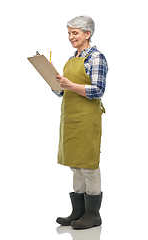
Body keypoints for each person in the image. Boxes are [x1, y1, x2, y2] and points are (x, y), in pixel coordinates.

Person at [54, 15, 108, 230]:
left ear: (88, 34)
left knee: (89, 165)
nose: (71, 37)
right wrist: (54, 80)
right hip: (70, 118)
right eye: (69, 33)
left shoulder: (96, 58)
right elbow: (62, 92)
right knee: (75, 164)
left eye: (75, 33)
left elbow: (98, 90)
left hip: (87, 118)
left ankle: (93, 215)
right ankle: (78, 212)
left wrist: (70, 84)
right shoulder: (71, 58)